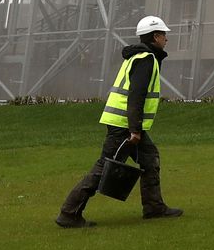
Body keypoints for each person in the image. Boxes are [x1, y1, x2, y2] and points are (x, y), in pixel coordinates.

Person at [55, 15, 184, 228]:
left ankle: (154, 207)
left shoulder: (140, 57)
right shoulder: (146, 59)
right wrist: (134, 129)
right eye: (164, 35)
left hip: (126, 123)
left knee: (150, 158)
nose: (166, 39)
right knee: (105, 167)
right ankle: (69, 213)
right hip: (124, 124)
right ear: (155, 36)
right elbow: (136, 95)